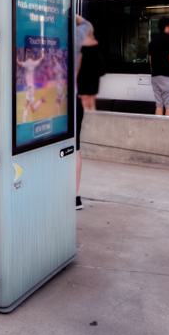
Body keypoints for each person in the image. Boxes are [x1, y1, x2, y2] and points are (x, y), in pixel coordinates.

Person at [74, 15, 94, 210]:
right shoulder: (77, 36)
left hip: (54, 103)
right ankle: (75, 197)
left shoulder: (49, 35)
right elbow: (87, 24)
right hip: (73, 100)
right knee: (75, 149)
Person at [148, 17, 169, 116]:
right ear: (166, 27)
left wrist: (154, 72)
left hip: (155, 77)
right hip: (168, 78)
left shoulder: (152, 41)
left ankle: (158, 129)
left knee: (159, 105)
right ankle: (167, 130)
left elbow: (150, 61)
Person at [76, 24, 102, 113]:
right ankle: (93, 123)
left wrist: (75, 77)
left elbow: (78, 63)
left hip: (83, 76)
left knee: (84, 102)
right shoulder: (95, 43)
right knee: (92, 102)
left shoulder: (81, 45)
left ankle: (86, 124)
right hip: (94, 76)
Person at [17, 48, 45, 123]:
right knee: (32, 109)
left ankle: (23, 122)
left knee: (25, 106)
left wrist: (17, 59)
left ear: (27, 55)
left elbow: (19, 63)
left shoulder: (27, 63)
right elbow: (39, 60)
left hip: (29, 88)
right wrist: (42, 56)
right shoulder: (33, 62)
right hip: (31, 88)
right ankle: (41, 101)